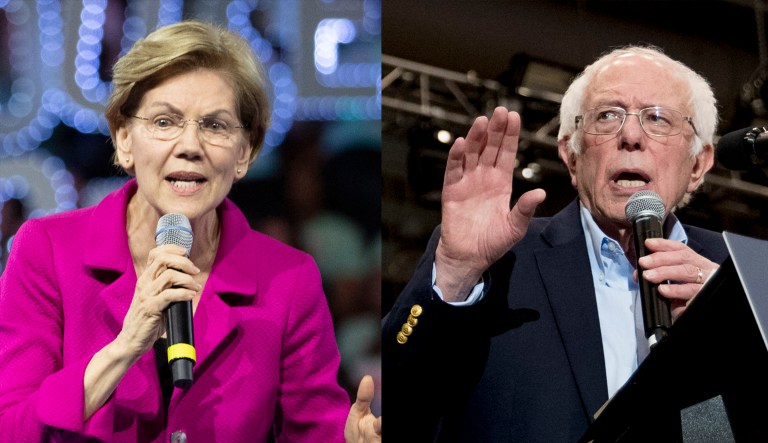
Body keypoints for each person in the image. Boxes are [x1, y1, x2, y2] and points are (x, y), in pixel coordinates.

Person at [0, 20, 379, 442]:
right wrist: (123, 349)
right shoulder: (48, 250)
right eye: (165, 121)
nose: (190, 145)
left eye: (215, 126)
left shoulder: (289, 280)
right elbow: (12, 427)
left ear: (244, 153)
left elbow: (316, 433)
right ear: (124, 139)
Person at [382, 45, 731, 441]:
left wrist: (733, 330)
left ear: (699, 163)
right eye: (607, 116)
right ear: (570, 154)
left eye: (657, 118)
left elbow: (724, 428)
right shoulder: (498, 261)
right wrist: (454, 274)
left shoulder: (741, 276)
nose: (631, 135)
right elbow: (393, 400)